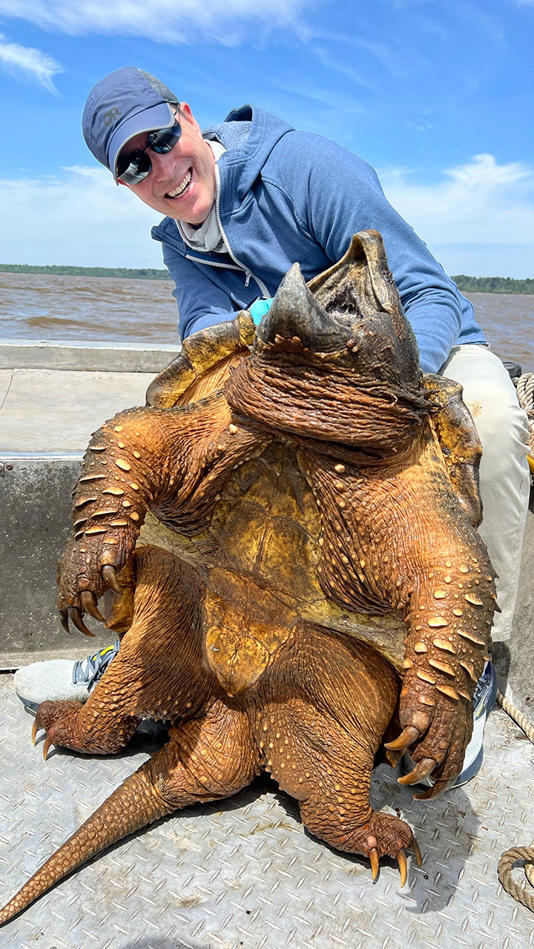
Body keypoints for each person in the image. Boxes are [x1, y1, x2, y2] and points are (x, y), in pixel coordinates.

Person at [15, 67, 530, 789]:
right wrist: (250, 341)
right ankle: (147, 645)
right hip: (285, 392)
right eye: (133, 163)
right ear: (121, 181)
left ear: (187, 118)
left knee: (498, 416)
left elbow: (425, 290)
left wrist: (394, 392)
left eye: (162, 139)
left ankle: (471, 665)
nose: (161, 168)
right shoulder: (180, 237)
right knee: (169, 422)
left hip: (402, 368)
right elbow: (201, 337)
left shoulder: (302, 169)